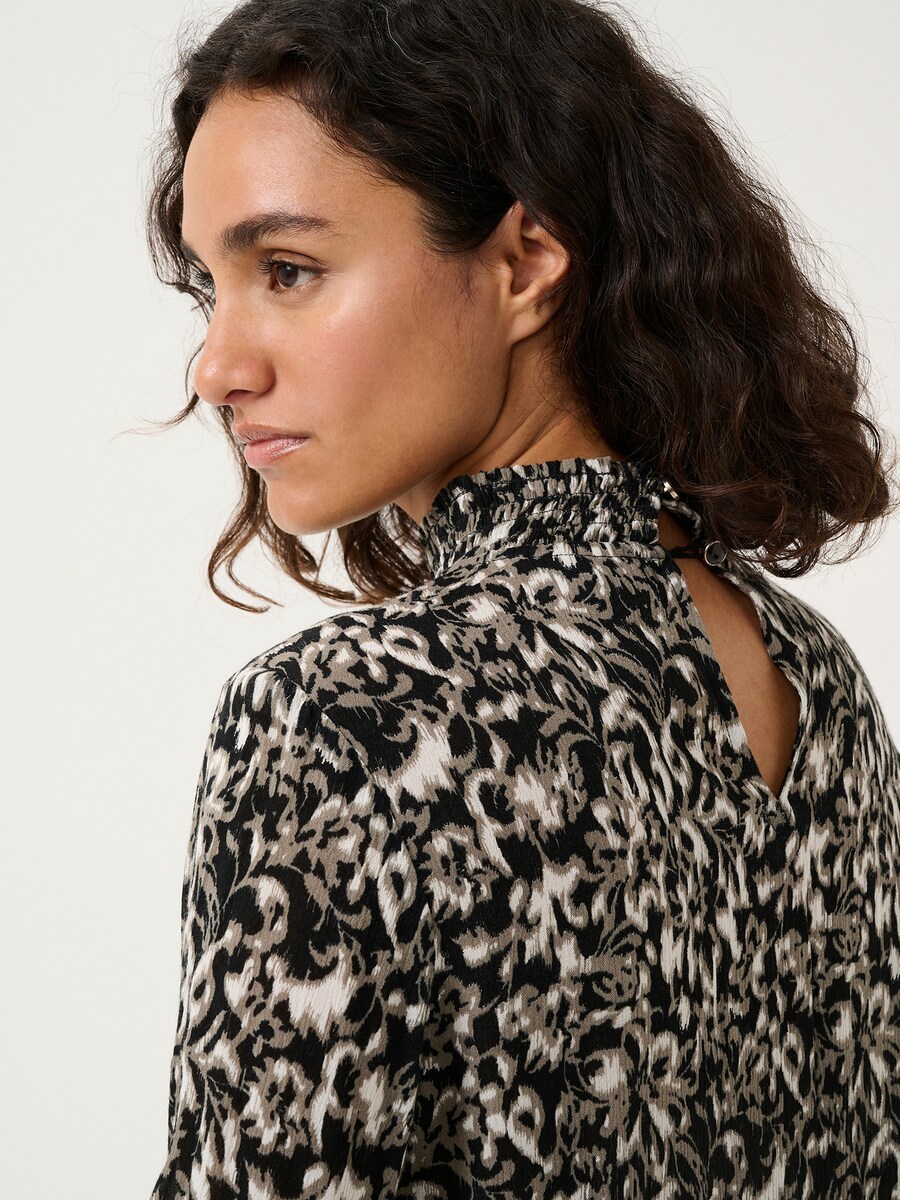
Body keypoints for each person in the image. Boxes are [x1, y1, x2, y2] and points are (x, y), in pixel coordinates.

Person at [144, 1, 900, 1196]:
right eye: (211, 288)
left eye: (288, 270)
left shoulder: (346, 717)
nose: (219, 366)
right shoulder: (821, 684)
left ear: (524, 264)